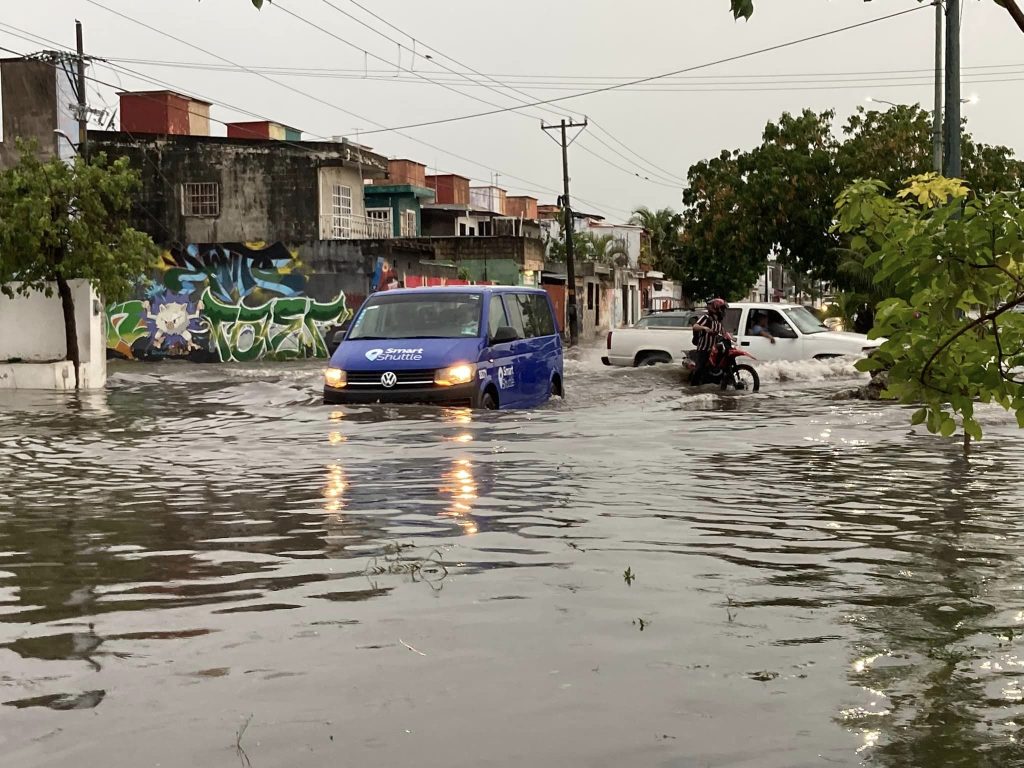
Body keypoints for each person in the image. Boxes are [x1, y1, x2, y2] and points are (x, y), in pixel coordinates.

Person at [690, 298, 727, 385]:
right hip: (704, 349)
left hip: (714, 349)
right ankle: (693, 388)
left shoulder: (719, 321)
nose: (723, 311)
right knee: (700, 369)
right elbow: (695, 326)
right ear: (716, 308)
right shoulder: (706, 318)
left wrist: (730, 337)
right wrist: (704, 328)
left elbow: (723, 333)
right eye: (721, 308)